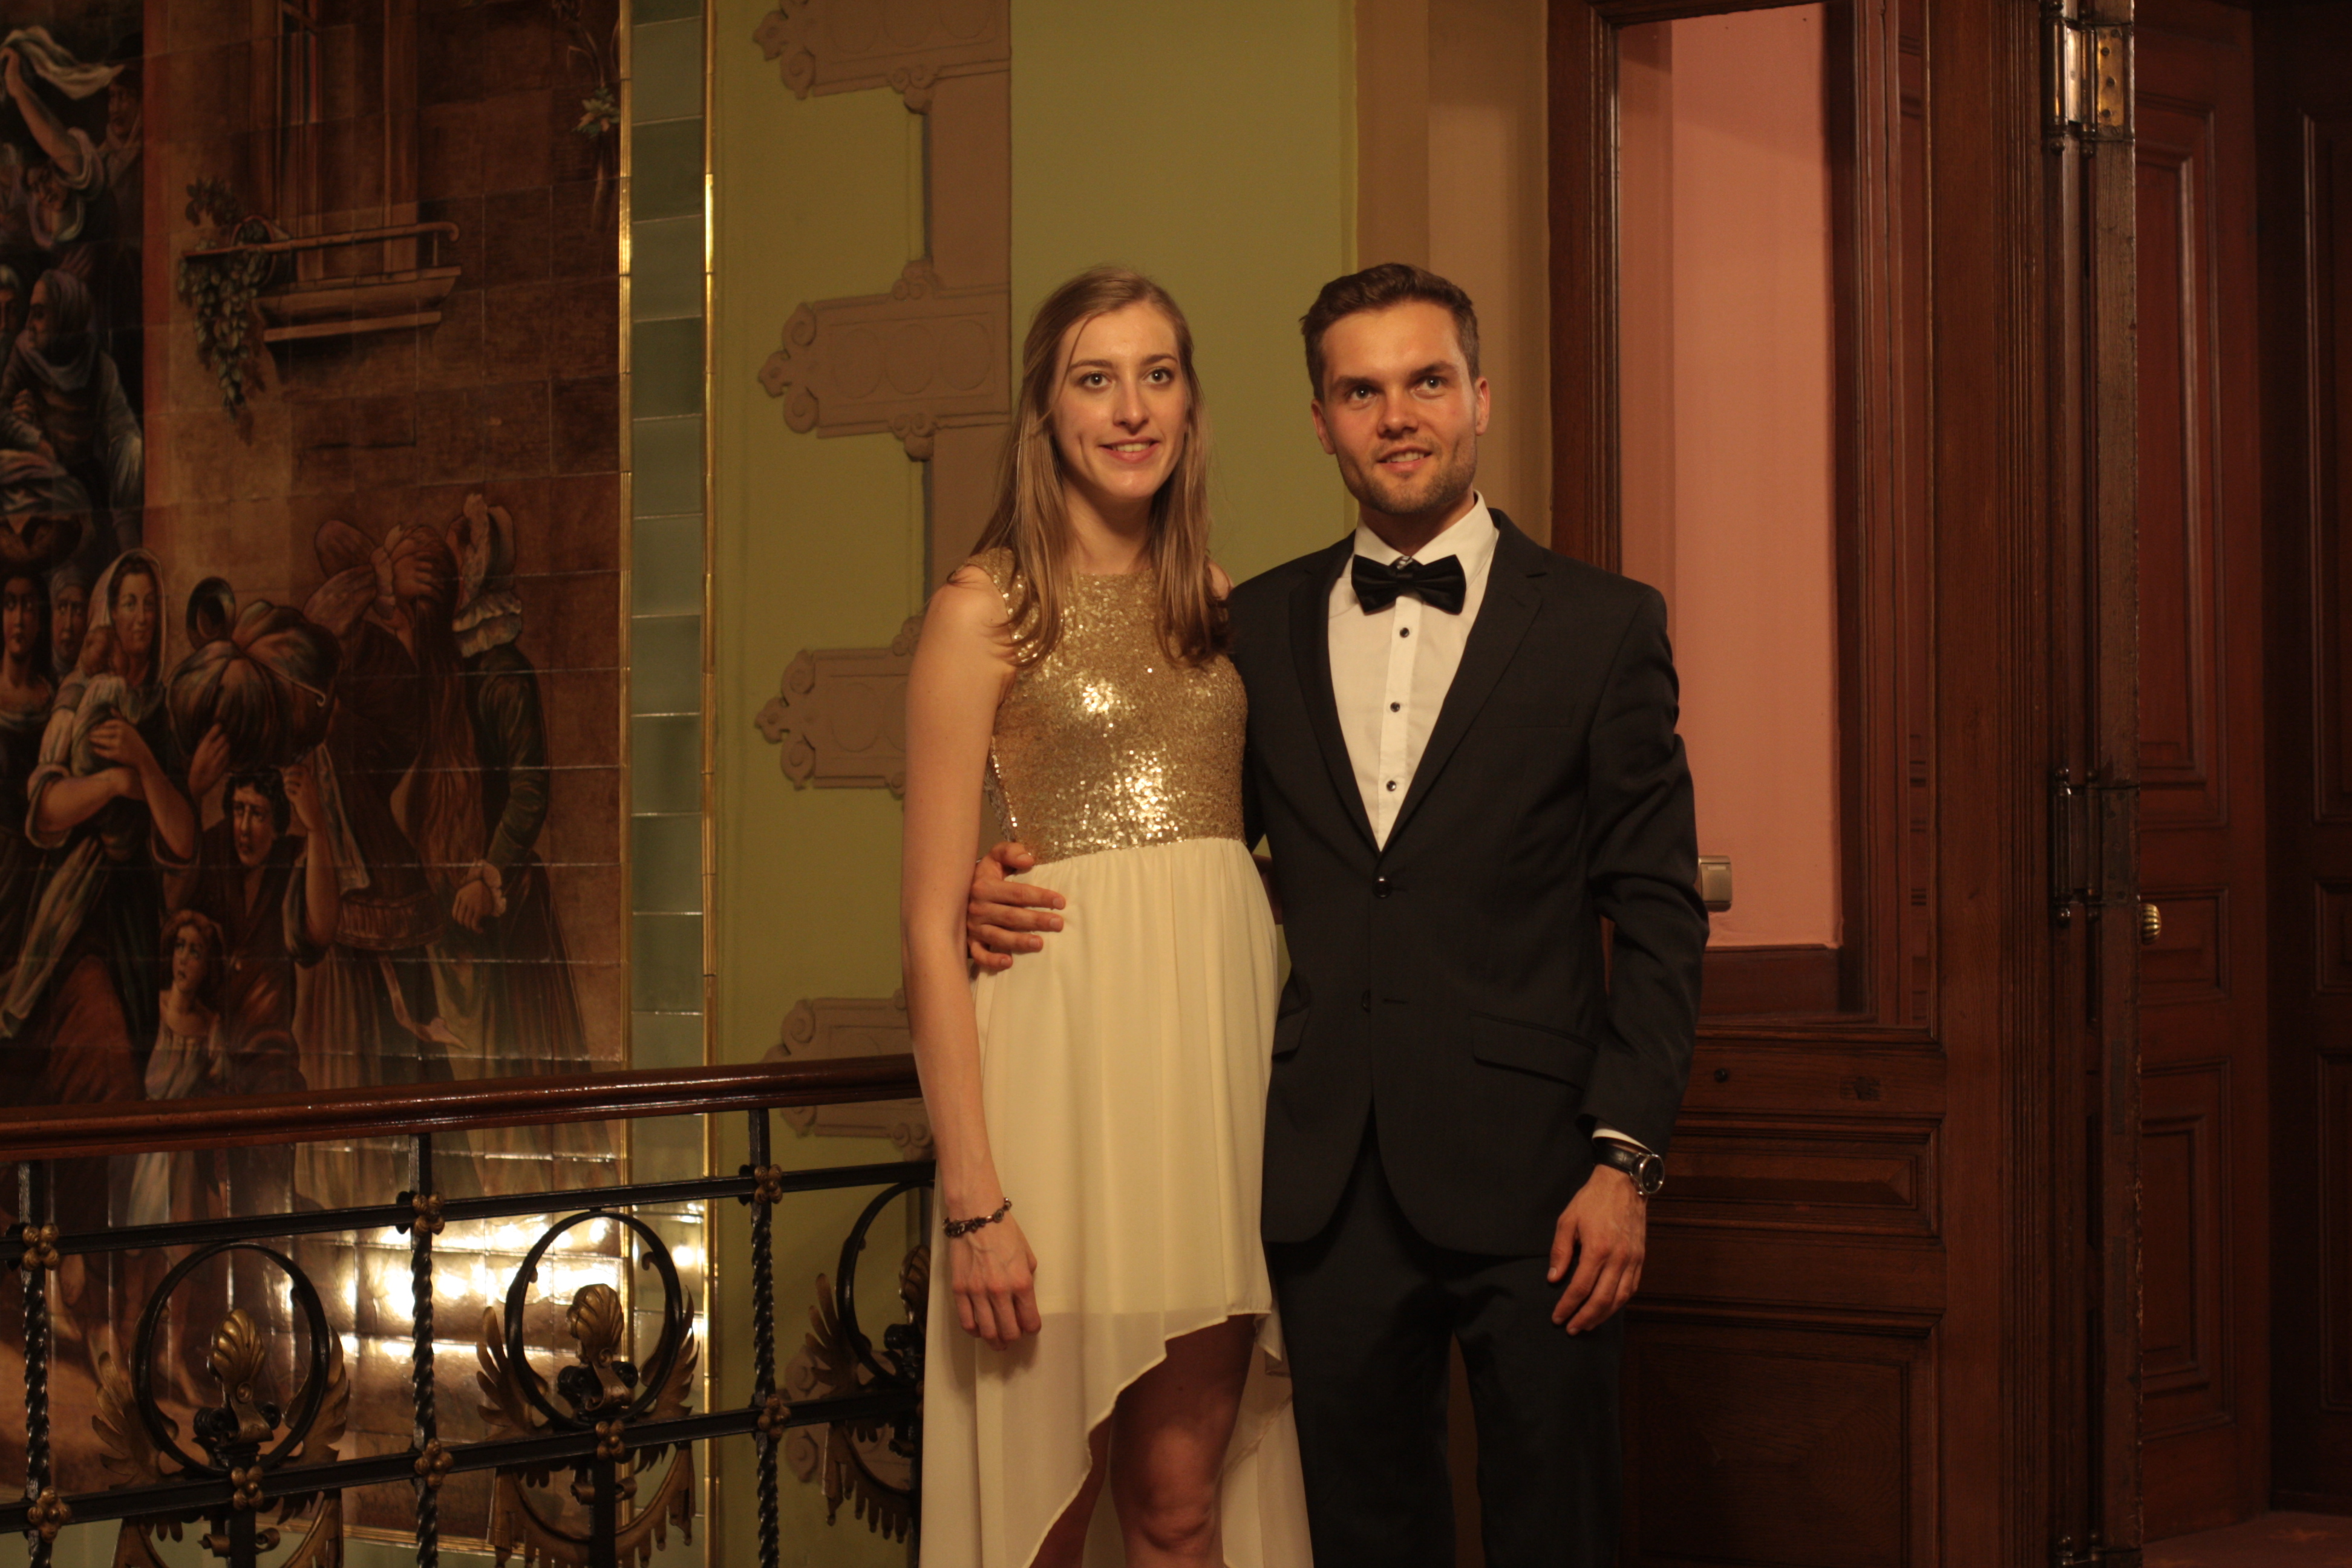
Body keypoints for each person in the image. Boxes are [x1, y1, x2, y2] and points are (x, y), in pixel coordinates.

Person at [969, 263, 1707, 1567]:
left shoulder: (1603, 627)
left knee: (1561, 1532)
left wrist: (1624, 1163)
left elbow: (1657, 914)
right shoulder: (1247, 627)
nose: (1398, 416)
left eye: (1427, 383)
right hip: (1322, 1187)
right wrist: (1009, 880)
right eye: (1362, 392)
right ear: (1321, 421)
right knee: (1363, 1539)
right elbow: (1193, 839)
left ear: (1478, 398)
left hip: (1545, 1184)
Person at [903, 266, 1310, 1567]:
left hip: (1209, 1100)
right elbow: (929, 929)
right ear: (1049, 413)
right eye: (1096, 379)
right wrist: (974, 1200)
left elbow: (1273, 851)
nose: (1131, 409)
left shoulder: (1223, 612)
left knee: (1181, 1508)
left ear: (1189, 407)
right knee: (1040, 1521)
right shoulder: (986, 609)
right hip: (1058, 1099)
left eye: (1157, 375)